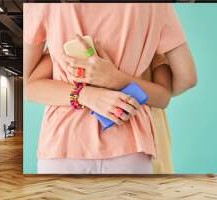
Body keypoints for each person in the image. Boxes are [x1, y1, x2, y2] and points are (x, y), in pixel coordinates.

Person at [24, 3, 197, 174]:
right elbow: (187, 79)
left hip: (62, 144)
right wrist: (120, 81)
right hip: (130, 143)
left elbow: (29, 85)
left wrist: (85, 94)